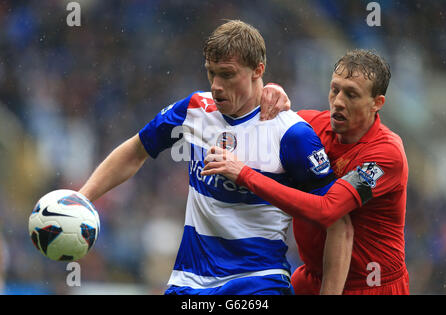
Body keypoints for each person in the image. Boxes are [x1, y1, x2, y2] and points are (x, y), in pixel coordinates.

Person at [78, 20, 353, 295]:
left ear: (258, 70)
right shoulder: (195, 109)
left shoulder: (291, 134)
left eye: (227, 75)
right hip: (189, 281)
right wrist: (83, 197)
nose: (217, 85)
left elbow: (336, 219)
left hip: (258, 280)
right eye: (211, 73)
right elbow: (136, 150)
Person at [202, 49, 409, 295]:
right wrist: (271, 92)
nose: (339, 101)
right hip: (312, 278)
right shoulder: (312, 126)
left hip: (370, 286)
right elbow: (271, 117)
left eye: (351, 94)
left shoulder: (385, 155)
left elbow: (328, 209)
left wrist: (244, 174)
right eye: (335, 89)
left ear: (377, 103)